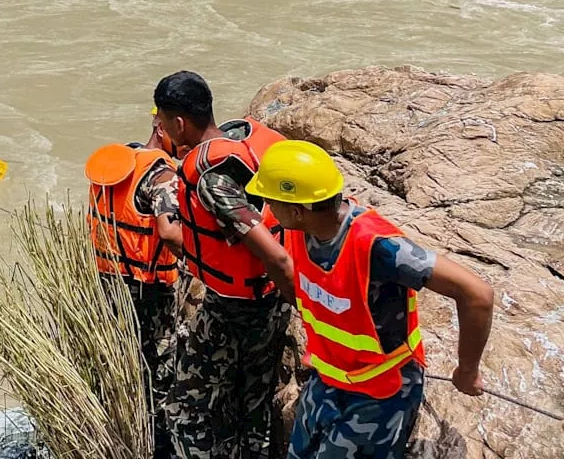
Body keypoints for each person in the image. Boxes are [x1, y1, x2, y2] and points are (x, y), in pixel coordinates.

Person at [245, 140, 493, 459]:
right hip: (331, 375)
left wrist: (467, 370)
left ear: (296, 209)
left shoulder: (377, 248)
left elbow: (477, 294)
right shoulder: (300, 229)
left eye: (270, 201)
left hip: (382, 389)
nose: (267, 208)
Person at [152, 70, 291, 459]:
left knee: (184, 411)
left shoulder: (213, 178)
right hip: (264, 299)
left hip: (239, 306)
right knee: (251, 404)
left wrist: (306, 310)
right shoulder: (243, 138)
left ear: (179, 123)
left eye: (164, 122)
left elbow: (274, 253)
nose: (164, 130)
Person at [84, 107, 181, 459]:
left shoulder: (119, 160)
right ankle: (158, 445)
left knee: (121, 363)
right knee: (158, 371)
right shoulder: (162, 175)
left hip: (107, 282)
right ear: (163, 126)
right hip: (147, 290)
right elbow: (170, 231)